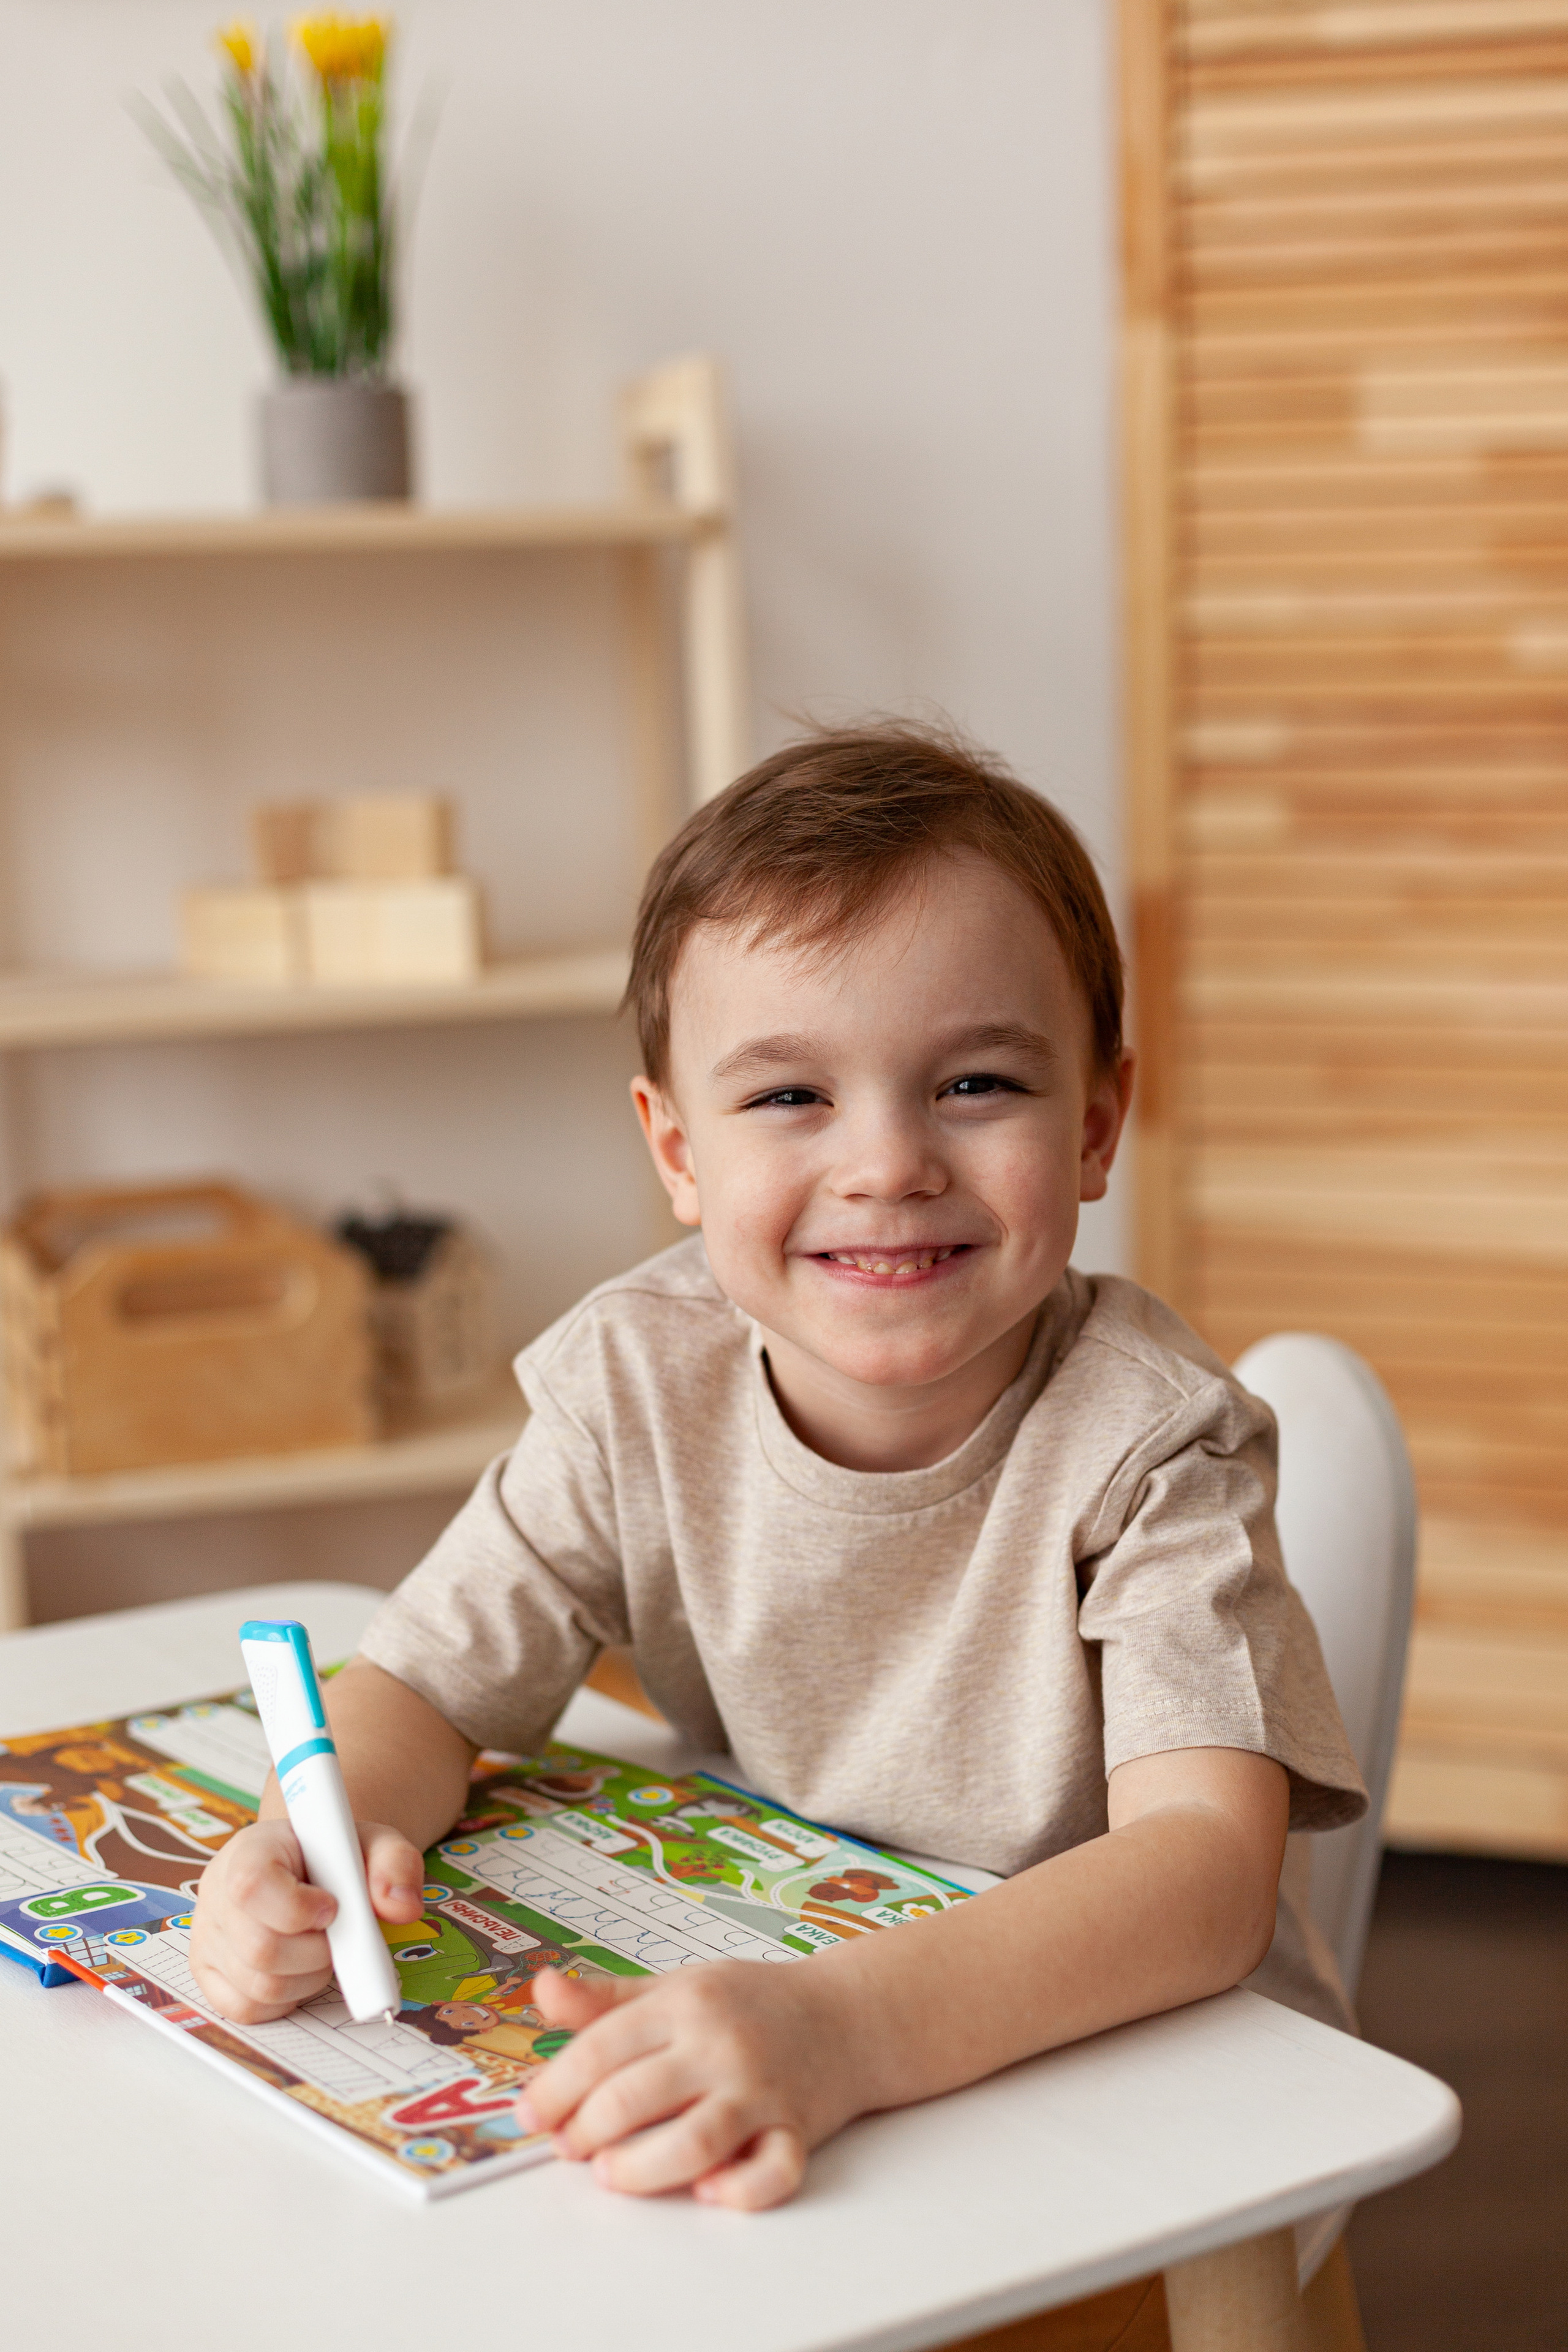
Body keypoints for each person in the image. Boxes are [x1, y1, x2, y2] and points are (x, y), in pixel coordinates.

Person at [192, 726, 1363, 2334]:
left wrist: (849, 2032)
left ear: (1097, 1123)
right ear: (680, 1149)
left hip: (1142, 2100)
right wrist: (303, 1850)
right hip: (803, 2003)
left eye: (977, 1083)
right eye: (792, 1093)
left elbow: (1205, 1878)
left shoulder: (1155, 1445)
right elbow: (421, 1696)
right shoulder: (632, 1382)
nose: (886, 1163)